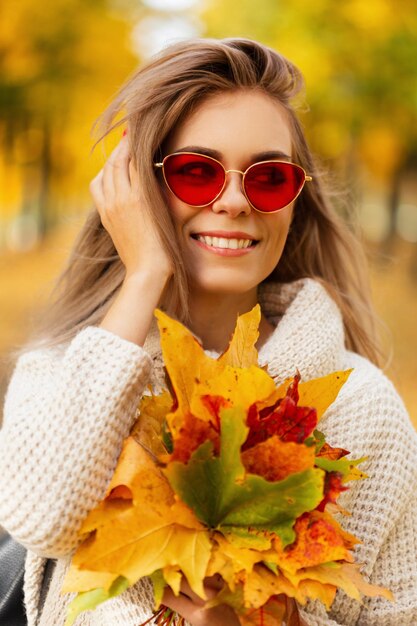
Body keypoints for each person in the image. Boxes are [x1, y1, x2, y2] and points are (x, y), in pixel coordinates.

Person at [0, 36, 416, 626]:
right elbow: (41, 518)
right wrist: (144, 276)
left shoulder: (362, 408)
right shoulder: (65, 370)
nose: (235, 201)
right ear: (136, 191)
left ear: (296, 201)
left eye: (268, 177)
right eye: (197, 172)